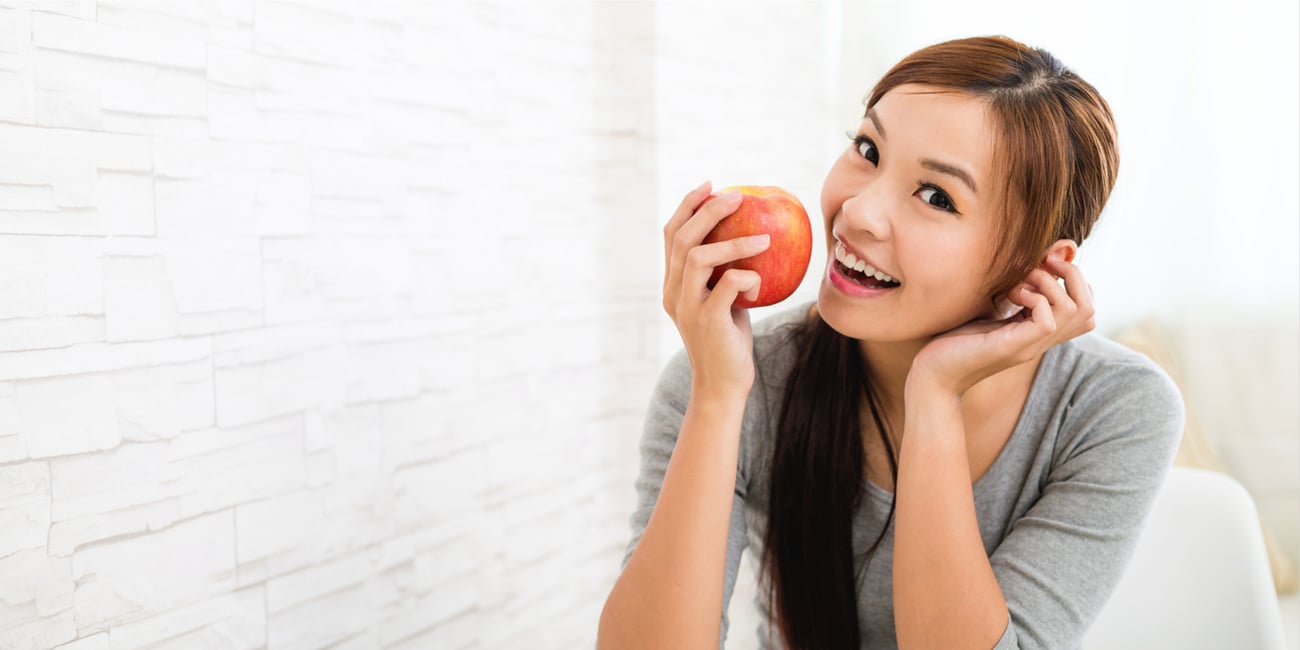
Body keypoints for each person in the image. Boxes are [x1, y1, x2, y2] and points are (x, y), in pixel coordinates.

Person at [597, 35, 1184, 650]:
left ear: (1034, 264)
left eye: (937, 196)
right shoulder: (734, 372)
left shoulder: (1115, 407)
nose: (858, 212)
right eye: (868, 149)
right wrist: (717, 398)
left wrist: (934, 393)